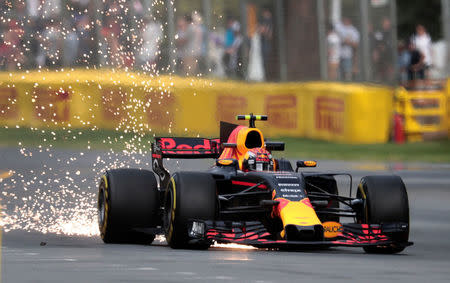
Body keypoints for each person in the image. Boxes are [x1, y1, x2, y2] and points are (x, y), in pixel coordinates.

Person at [259, 7, 273, 80]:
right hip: (264, 43)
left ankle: (268, 76)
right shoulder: (264, 21)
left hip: (267, 44)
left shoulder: (269, 22)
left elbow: (269, 34)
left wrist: (264, 30)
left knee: (267, 60)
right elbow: (261, 30)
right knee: (264, 60)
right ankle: (266, 76)